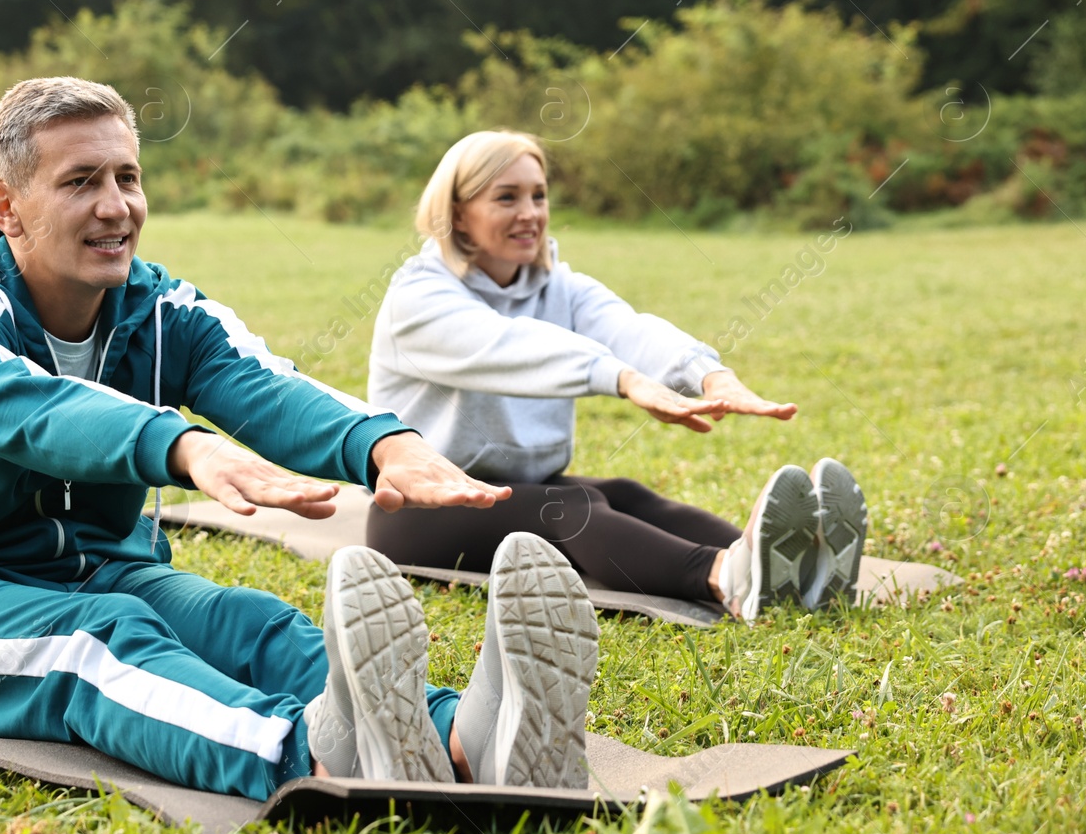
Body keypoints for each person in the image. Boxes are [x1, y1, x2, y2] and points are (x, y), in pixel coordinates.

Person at [0, 79, 601, 802]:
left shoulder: (159, 308)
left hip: (103, 567)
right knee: (99, 642)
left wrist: (381, 443)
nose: (116, 205)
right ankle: (313, 756)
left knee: (254, 626)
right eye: (80, 181)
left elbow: (262, 380)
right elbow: (38, 410)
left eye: (127, 177)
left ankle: (462, 737)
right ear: (6, 206)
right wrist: (187, 447)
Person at [365, 130, 870, 621]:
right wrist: (621, 378)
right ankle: (726, 578)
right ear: (458, 213)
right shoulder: (419, 297)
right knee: (571, 508)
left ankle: (786, 566)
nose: (530, 213)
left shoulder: (556, 287)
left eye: (539, 196)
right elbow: (506, 344)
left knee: (626, 495)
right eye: (507, 197)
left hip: (518, 488)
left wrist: (707, 374)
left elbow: (627, 328)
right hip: (418, 510)